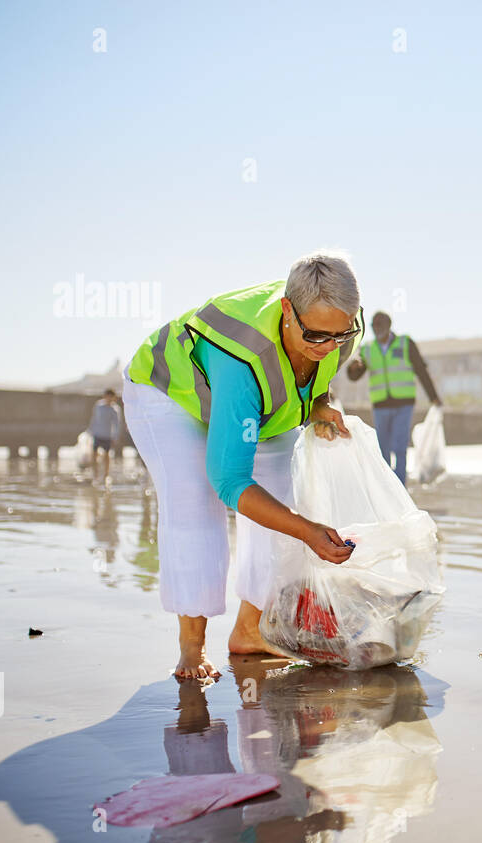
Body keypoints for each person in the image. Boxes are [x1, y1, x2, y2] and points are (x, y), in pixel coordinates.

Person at [122, 251, 363, 680]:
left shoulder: (340, 326)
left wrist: (321, 405)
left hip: (252, 399)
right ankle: (192, 648)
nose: (329, 348)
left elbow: (315, 378)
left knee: (280, 504)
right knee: (196, 502)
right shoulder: (241, 358)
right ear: (288, 310)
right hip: (169, 393)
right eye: (316, 336)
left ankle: (251, 629)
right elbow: (229, 481)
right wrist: (308, 531)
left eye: (339, 337)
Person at [344, 312, 441, 484]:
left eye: (380, 325)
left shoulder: (405, 343)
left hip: (404, 403)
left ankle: (400, 487)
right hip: (381, 405)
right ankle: (387, 486)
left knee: (399, 446)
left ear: (389, 325)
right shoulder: (367, 349)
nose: (376, 329)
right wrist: (353, 367)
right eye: (374, 326)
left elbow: (421, 370)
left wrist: (433, 396)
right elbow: (354, 376)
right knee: (383, 448)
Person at [87, 388, 123, 485]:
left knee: (107, 456)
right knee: (94, 454)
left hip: (107, 435)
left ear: (114, 398)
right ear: (105, 396)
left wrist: (115, 437)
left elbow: (117, 424)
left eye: (111, 397)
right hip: (97, 433)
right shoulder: (98, 405)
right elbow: (94, 418)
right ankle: (95, 475)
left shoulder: (115, 409)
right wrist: (89, 431)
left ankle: (106, 475)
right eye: (107, 396)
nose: (109, 399)